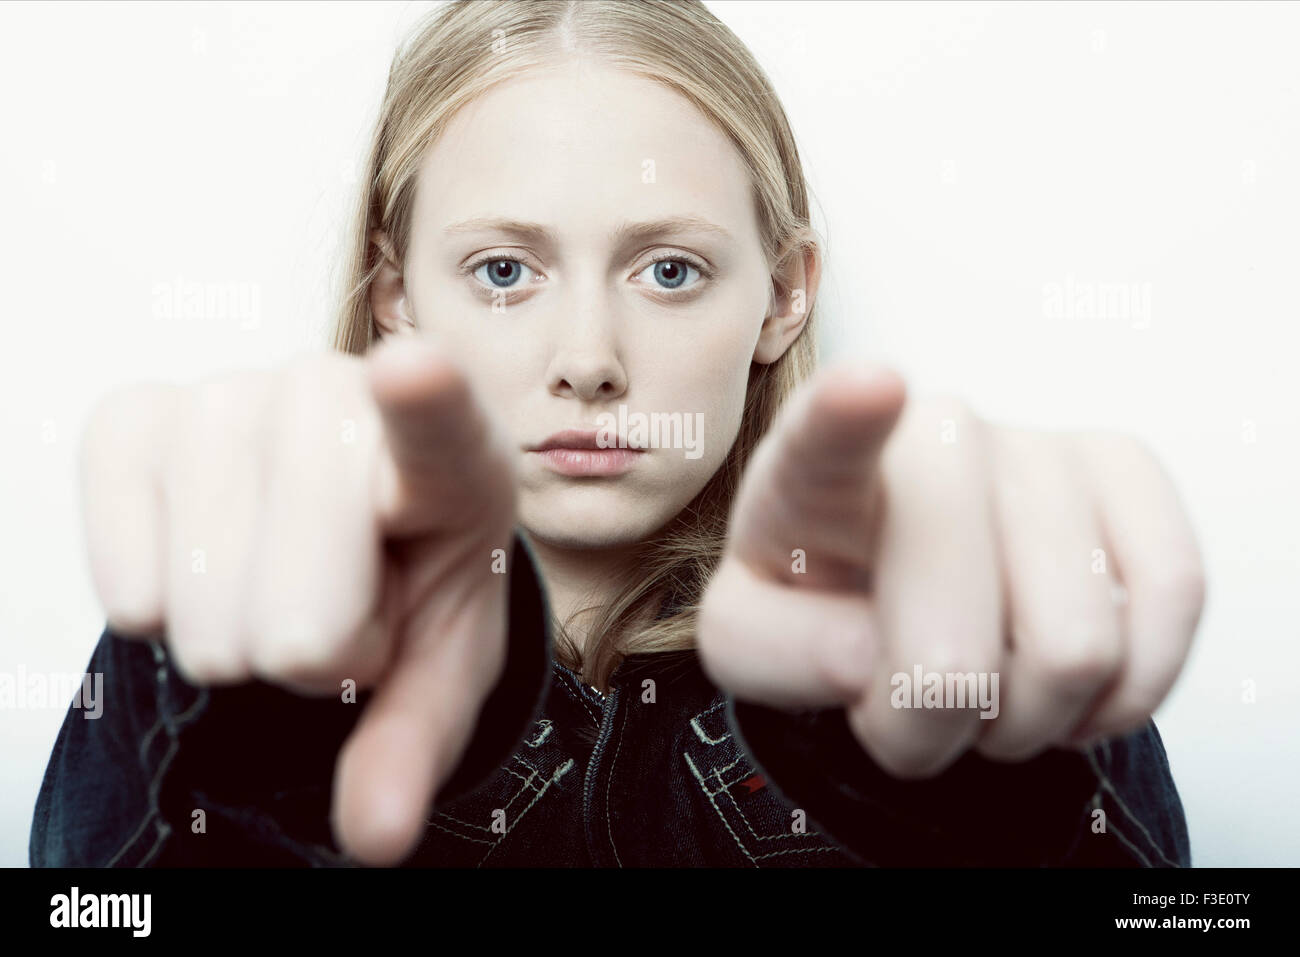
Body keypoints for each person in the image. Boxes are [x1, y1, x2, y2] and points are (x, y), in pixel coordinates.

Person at [30, 0, 1203, 868]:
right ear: (396, 294)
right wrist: (224, 719)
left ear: (784, 295)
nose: (587, 358)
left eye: (669, 267)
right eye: (503, 269)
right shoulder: (223, 619)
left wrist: (1004, 779)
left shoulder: (968, 627)